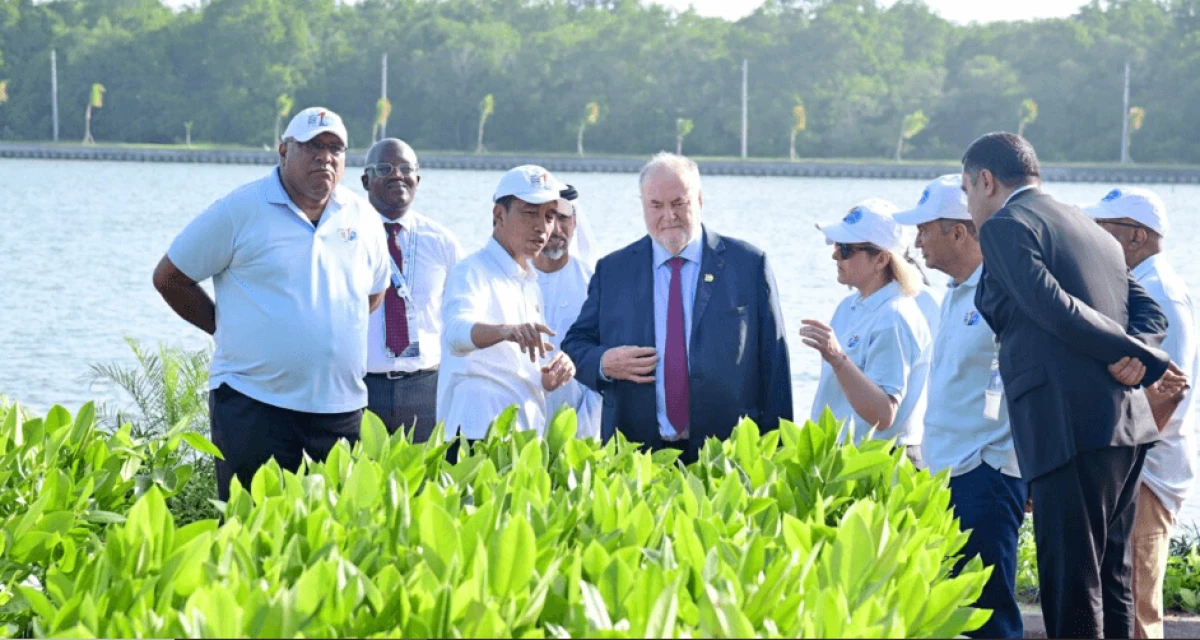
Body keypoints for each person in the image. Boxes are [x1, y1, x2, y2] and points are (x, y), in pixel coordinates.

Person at [965, 132, 1183, 639]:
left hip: (1064, 428)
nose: (969, 203)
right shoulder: (1091, 228)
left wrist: (1137, 356)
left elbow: (1055, 310)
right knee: (1113, 579)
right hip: (1124, 429)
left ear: (986, 180)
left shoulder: (1005, 227)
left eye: (967, 189)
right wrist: (1133, 350)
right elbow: (1148, 313)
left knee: (1071, 584)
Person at [151, 107, 390, 501]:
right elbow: (170, 277)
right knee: (252, 531)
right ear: (283, 151)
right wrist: (223, 328)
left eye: (335, 148)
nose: (324, 158)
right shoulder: (241, 209)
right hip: (254, 404)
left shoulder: (362, 216)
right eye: (312, 147)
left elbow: (374, 292)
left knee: (333, 536)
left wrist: (325, 331)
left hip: (340, 408)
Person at [563, 152, 793, 464]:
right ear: (643, 205)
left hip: (729, 453)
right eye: (656, 205)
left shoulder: (748, 265)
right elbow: (575, 345)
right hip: (637, 454)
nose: (668, 216)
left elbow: (774, 366)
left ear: (699, 200)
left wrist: (778, 455)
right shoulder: (613, 270)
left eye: (678, 203)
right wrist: (604, 362)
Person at [895, 174, 1026, 638]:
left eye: (925, 230)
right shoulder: (954, 291)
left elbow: (1025, 383)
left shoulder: (1002, 289)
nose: (916, 243)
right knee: (955, 613)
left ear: (959, 231)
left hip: (985, 473)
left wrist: (1008, 462)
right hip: (948, 473)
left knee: (988, 618)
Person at [1086, 186, 1196, 639]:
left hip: (1144, 473)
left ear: (1135, 236)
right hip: (1133, 468)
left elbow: (1171, 392)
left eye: (1102, 231)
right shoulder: (1142, 285)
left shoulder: (1160, 294)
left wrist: (1117, 464)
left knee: (1134, 614)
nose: (1092, 240)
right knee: (1121, 603)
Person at [437, 165, 577, 456]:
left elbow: (525, 370)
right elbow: (456, 332)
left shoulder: (528, 280)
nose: (542, 227)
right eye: (530, 212)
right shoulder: (471, 270)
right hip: (476, 435)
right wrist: (506, 331)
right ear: (498, 215)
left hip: (522, 434)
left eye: (549, 216)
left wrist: (551, 376)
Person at [802, 199, 931, 468]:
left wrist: (838, 358)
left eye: (846, 249)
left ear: (881, 259)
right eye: (837, 246)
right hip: (847, 458)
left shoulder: (895, 316)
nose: (835, 255)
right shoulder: (849, 307)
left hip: (884, 462)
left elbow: (883, 414)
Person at [361, 138, 463, 441]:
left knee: (426, 481)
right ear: (365, 180)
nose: (397, 175)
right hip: (360, 387)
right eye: (385, 168)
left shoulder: (442, 242)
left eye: (406, 168)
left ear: (417, 180)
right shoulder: (345, 237)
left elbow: (461, 315)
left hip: (426, 388)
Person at [534, 185, 602, 439]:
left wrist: (585, 427)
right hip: (520, 421)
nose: (557, 229)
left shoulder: (594, 284)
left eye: (564, 218)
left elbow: (604, 363)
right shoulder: (511, 280)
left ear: (575, 222)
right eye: (549, 217)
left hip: (581, 423)